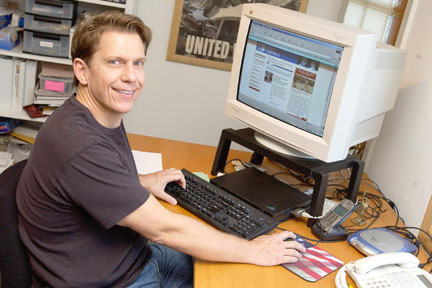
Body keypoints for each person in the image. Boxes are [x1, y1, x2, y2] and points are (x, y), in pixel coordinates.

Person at [16, 11, 305, 287]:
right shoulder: (80, 145)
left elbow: (80, 186)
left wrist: (137, 183)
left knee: (237, 272)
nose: (131, 77)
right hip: (111, 281)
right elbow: (164, 229)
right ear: (82, 70)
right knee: (245, 266)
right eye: (115, 62)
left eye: (138, 63)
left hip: (131, 259)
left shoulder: (93, 114)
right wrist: (255, 251)